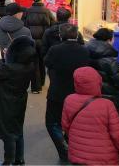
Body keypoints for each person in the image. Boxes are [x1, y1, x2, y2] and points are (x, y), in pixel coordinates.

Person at [42, 23, 89, 163]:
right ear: (77, 35)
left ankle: (64, 150)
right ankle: (71, 146)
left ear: (61, 35)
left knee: (52, 122)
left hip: (57, 92)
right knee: (73, 122)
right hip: (77, 93)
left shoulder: (55, 50)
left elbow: (47, 63)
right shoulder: (84, 50)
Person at [0, 36, 35, 166]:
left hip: (6, 102)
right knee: (17, 130)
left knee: (8, 134)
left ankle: (8, 161)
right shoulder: (29, 66)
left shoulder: (9, 68)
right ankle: (19, 159)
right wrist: (7, 57)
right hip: (20, 100)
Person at [61, 67, 119, 166]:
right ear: (98, 82)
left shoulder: (69, 100)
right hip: (104, 157)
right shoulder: (107, 104)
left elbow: (65, 126)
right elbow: (117, 134)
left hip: (78, 154)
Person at [22, 0, 55, 93]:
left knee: (33, 62)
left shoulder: (27, 11)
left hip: (30, 40)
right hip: (43, 41)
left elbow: (23, 25)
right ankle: (41, 82)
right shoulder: (47, 11)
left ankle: (35, 86)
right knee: (41, 62)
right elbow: (52, 25)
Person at [0, 3, 32, 67]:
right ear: (17, 14)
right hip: (17, 66)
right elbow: (29, 52)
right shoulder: (25, 31)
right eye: (21, 12)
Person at [86, 27, 119, 101]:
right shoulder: (110, 61)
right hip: (108, 95)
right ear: (109, 40)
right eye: (113, 39)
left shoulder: (86, 51)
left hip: (89, 92)